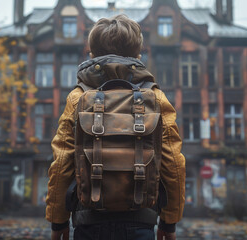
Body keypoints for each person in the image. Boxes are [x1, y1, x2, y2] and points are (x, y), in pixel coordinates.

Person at [46, 14, 186, 240]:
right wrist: (169, 222)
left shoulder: (78, 97)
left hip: (89, 222)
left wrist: (57, 219)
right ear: (138, 55)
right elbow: (173, 163)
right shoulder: (156, 97)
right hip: (140, 222)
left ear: (92, 54)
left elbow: (62, 162)